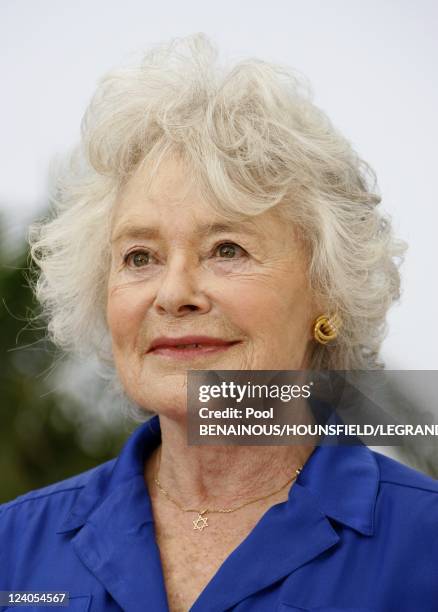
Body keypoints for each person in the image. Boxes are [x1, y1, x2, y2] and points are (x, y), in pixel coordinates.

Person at [1, 33, 437, 612]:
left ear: (327, 290)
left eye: (226, 249)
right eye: (140, 257)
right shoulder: (13, 549)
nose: (174, 294)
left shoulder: (424, 545)